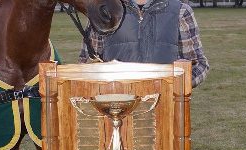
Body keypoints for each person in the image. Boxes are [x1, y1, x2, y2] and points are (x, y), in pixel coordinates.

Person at [79, 0, 209, 88]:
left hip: (165, 111)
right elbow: (86, 66)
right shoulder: (103, 12)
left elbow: (199, 65)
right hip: (116, 112)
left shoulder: (181, 11)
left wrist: (174, 86)